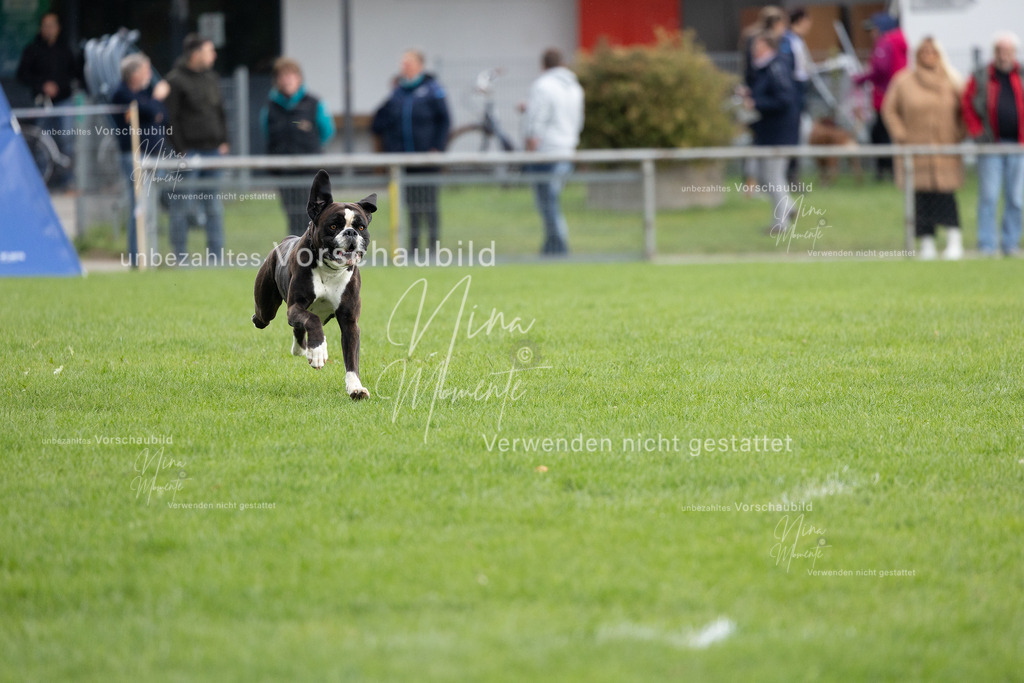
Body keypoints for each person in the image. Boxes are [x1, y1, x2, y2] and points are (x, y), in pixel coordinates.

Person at [882, 37, 965, 260]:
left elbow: (965, 111)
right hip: (915, 150)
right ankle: (926, 243)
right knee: (921, 198)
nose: (928, 55)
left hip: (945, 149)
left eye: (932, 51)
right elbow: (889, 110)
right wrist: (901, 134)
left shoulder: (952, 80)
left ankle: (953, 240)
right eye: (924, 51)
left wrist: (958, 133)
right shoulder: (903, 81)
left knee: (946, 195)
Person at [372, 50, 450, 259]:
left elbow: (444, 120)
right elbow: (379, 121)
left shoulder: (433, 90)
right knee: (412, 207)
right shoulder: (398, 92)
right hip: (404, 161)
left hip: (427, 159)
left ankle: (433, 249)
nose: (404, 66)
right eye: (402, 63)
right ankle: (414, 249)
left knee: (429, 205)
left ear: (419, 65)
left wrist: (437, 147)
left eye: (408, 63)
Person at [165, 33, 229, 265]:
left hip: (213, 151)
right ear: (195, 54)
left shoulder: (211, 78)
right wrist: (180, 149)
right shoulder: (175, 80)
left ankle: (216, 257)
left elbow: (220, 112)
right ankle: (180, 257)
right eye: (209, 50)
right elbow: (169, 119)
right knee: (182, 205)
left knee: (213, 206)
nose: (214, 55)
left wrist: (223, 140)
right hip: (189, 153)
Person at [962, 31, 1024, 257]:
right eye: (999, 50)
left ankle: (1011, 244)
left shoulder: (1021, 74)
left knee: (1016, 198)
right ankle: (986, 245)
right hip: (991, 145)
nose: (1003, 55)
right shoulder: (982, 76)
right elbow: (967, 104)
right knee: (988, 196)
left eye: (1008, 51)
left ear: (1014, 53)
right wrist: (977, 132)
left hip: (1019, 146)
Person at [260, 57, 336, 236]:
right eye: (282, 75)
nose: (286, 79)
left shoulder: (314, 103)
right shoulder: (270, 107)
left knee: (310, 215)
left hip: (309, 171)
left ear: (299, 78)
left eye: (290, 75)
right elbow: (266, 133)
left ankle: (309, 252)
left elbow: (327, 131)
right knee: (292, 214)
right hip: (283, 172)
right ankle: (296, 253)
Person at [521, 48, 584, 256]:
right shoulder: (575, 87)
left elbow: (538, 118)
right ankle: (552, 244)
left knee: (547, 202)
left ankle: (558, 246)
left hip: (546, 151)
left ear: (543, 65)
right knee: (552, 200)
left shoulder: (543, 85)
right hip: (568, 148)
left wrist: (530, 145)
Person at [110, 54, 170, 267]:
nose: (148, 75)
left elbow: (161, 115)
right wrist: (157, 100)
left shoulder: (143, 93)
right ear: (134, 73)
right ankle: (138, 258)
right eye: (145, 70)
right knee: (140, 205)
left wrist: (154, 105)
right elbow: (151, 110)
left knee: (151, 205)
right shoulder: (121, 93)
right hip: (136, 156)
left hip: (153, 155)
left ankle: (149, 255)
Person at [16, 12, 82, 189]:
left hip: (64, 101)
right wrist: (42, 85)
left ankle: (69, 182)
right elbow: (22, 75)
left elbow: (74, 73)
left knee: (67, 141)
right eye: (46, 25)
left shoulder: (65, 49)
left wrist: (59, 86)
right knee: (40, 141)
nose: (49, 29)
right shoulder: (32, 49)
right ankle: (40, 184)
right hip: (42, 101)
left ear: (58, 28)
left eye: (53, 25)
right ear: (41, 28)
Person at [747, 32, 800, 234]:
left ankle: (780, 223)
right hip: (767, 132)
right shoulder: (764, 69)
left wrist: (756, 103)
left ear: (769, 48)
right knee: (764, 176)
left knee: (773, 176)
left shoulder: (777, 67)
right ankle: (789, 207)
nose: (754, 52)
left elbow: (784, 99)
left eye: (758, 47)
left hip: (779, 133)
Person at [854, 13, 908, 180]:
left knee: (881, 135)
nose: (872, 33)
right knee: (883, 133)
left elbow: (881, 69)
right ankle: (887, 170)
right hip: (896, 95)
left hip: (886, 97)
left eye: (874, 29)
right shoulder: (898, 41)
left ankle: (885, 170)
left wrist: (861, 78)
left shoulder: (885, 43)